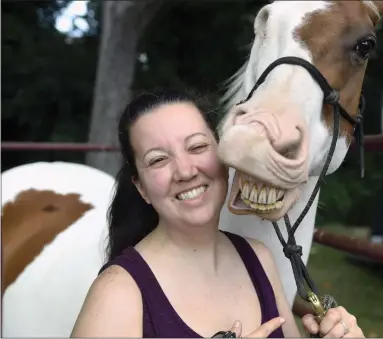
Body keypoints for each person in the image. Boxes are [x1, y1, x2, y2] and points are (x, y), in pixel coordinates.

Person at [71, 89, 365, 338]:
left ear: (223, 155)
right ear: (142, 188)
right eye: (159, 160)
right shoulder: (118, 293)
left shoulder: (259, 260)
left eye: (197, 146)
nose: (185, 171)